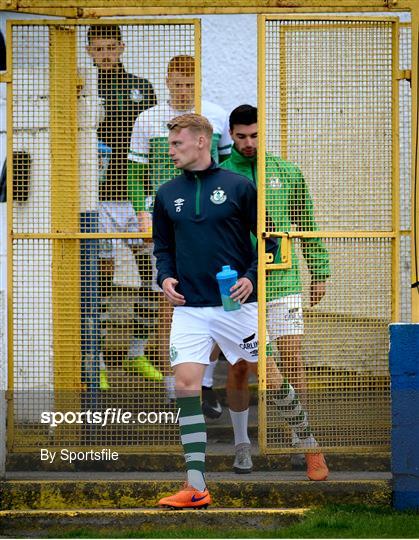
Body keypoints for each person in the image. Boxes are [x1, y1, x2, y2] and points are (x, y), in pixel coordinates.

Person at [153, 113, 327, 510]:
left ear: (201, 142)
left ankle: (309, 442)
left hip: (236, 306)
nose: (171, 150)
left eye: (177, 143)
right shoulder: (166, 194)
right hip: (191, 309)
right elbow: (162, 248)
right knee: (185, 385)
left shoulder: (238, 187)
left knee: (270, 375)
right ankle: (196, 485)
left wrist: (250, 276)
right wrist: (165, 277)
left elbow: (265, 241)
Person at [217, 104, 330, 476]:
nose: (248, 143)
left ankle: (301, 438)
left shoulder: (286, 171)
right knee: (241, 366)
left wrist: (320, 271)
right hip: (238, 286)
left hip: (283, 280)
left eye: (254, 136)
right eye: (241, 137)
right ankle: (241, 445)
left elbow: (306, 222)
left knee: (293, 358)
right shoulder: (220, 176)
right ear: (230, 135)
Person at [129, 55, 231, 407]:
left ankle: (203, 384)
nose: (184, 89)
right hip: (168, 224)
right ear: (168, 81)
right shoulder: (147, 119)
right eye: (178, 82)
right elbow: (134, 173)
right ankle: (173, 391)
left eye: (190, 83)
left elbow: (227, 165)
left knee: (217, 301)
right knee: (168, 304)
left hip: (210, 224)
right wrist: (143, 214)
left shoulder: (215, 115)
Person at [86, 24, 161, 388]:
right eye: (98, 49)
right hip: (98, 198)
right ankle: (97, 362)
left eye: (110, 48)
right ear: (88, 51)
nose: (104, 55)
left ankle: (137, 352)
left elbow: (151, 137)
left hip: (137, 196)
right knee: (100, 278)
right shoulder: (82, 86)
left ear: (121, 48)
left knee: (154, 272)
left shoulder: (141, 87)